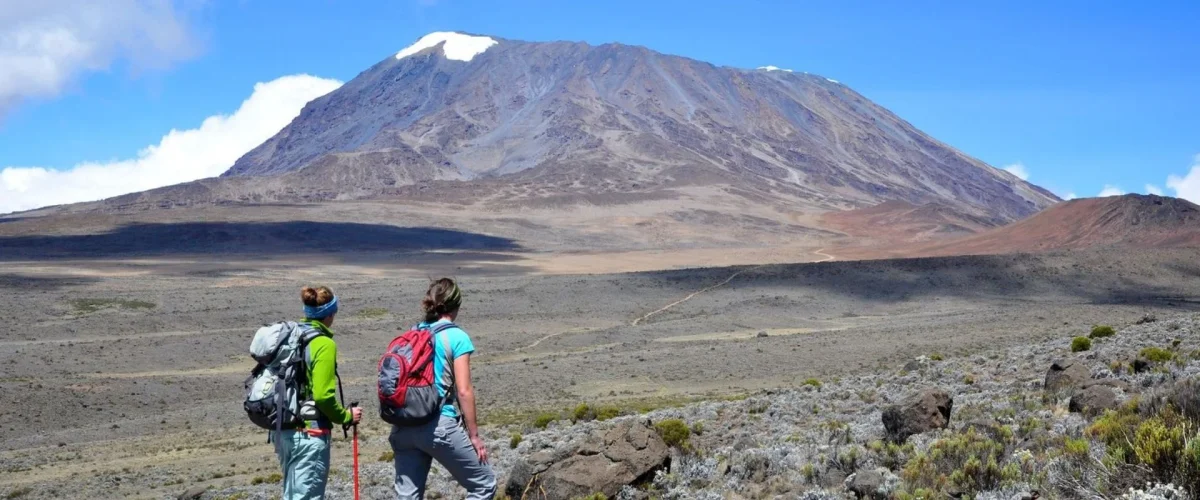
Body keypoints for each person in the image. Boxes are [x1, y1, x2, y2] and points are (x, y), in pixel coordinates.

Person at [389, 278, 496, 499]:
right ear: (456, 305)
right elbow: (464, 390)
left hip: (403, 425)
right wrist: (474, 436)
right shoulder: (457, 337)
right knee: (484, 485)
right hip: (438, 424)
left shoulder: (412, 333)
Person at [275, 286, 364, 500]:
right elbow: (323, 395)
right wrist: (345, 416)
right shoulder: (323, 343)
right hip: (310, 434)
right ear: (331, 313)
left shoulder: (290, 336)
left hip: (283, 430)